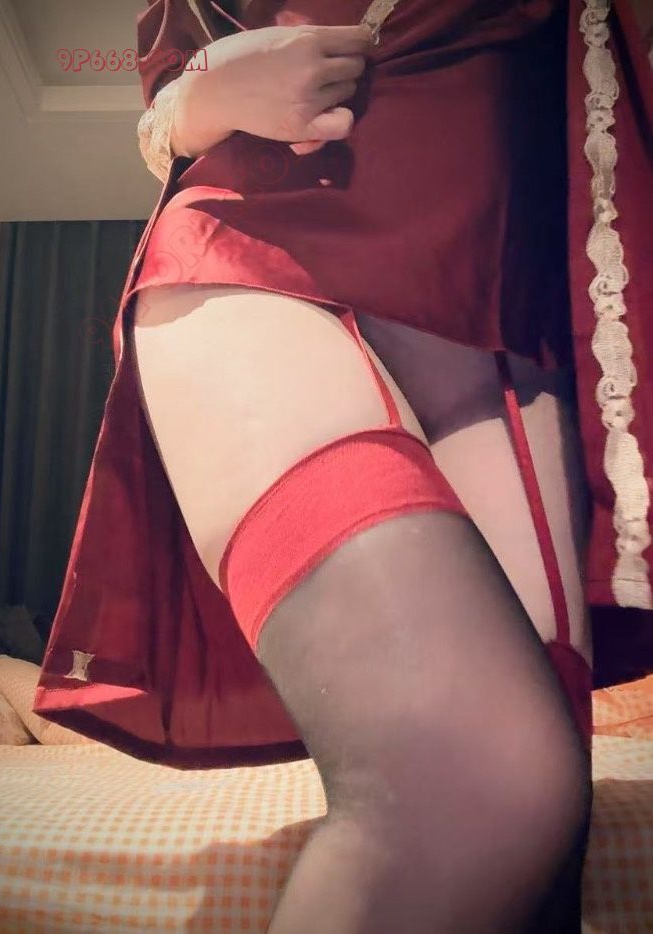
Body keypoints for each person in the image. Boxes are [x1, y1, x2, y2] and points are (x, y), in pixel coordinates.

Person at [34, 1, 653, 930]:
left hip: (496, 311)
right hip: (255, 251)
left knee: (535, 838)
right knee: (478, 785)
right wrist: (205, 93)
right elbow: (163, 103)